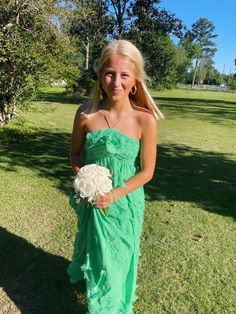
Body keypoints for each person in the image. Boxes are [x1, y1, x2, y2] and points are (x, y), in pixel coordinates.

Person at [67, 39, 163, 313]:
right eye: (109, 73)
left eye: (124, 75)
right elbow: (75, 155)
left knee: (118, 259)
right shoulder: (86, 114)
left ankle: (111, 306)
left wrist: (114, 194)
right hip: (93, 201)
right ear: (100, 76)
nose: (116, 82)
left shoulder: (145, 120)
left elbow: (147, 171)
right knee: (97, 254)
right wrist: (85, 180)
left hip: (125, 201)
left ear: (135, 80)